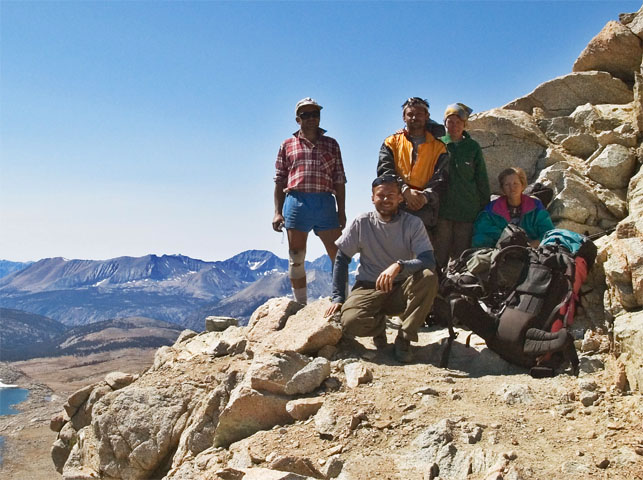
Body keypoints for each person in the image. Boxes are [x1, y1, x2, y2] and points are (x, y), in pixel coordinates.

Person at [325, 174, 438, 363]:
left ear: (400, 198)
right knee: (350, 323)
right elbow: (342, 258)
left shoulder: (412, 224)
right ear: (372, 198)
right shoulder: (362, 222)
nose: (386, 199)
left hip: (400, 287)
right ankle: (379, 327)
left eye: (391, 195)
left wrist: (400, 266)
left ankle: (404, 338)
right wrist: (338, 297)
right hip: (368, 287)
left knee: (428, 277)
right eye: (381, 195)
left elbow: (428, 260)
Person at [273, 97, 347, 305]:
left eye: (315, 114)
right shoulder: (287, 145)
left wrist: (341, 211)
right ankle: (300, 305)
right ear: (298, 119)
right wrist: (277, 212)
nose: (311, 118)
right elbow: (279, 179)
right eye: (306, 115)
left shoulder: (331, 144)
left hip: (325, 202)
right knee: (296, 256)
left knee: (338, 255)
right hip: (297, 201)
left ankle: (341, 300)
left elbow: (339, 179)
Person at [377, 97, 449, 241]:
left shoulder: (439, 147)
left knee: (422, 252)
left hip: (425, 210)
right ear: (403, 117)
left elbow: (442, 179)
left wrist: (424, 197)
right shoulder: (391, 142)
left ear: (427, 116)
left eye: (419, 114)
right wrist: (404, 190)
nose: (414, 117)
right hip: (395, 206)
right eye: (410, 114)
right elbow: (385, 171)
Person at [434, 103, 490, 270]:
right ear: (444, 123)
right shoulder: (438, 145)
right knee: (439, 255)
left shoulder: (472, 147)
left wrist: (485, 207)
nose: (454, 126)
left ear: (465, 124)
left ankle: (458, 285)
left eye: (458, 122)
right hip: (443, 211)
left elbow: (481, 178)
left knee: (461, 256)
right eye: (450, 122)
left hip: (467, 211)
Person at [472, 167, 554, 248]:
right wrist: (506, 238)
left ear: (522, 185)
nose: (512, 188)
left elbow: (547, 231)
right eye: (507, 185)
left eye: (515, 183)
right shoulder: (493, 208)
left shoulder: (535, 205)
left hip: (532, 248)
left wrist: (532, 245)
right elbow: (482, 229)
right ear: (502, 189)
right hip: (501, 248)